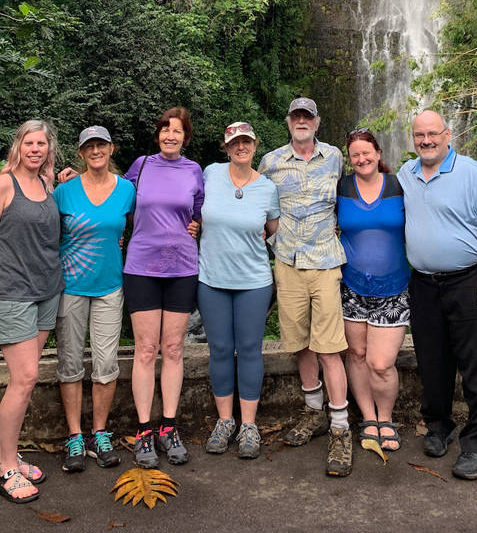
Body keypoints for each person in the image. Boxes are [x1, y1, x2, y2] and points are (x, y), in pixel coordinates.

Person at [398, 110, 477, 481]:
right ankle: (439, 426)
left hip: (469, 282)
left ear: (447, 134)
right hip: (424, 284)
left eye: (432, 134)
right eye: (418, 136)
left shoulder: (471, 172)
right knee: (433, 361)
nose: (425, 141)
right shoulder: (405, 176)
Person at [257, 97, 352, 477]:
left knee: (329, 347)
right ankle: (313, 409)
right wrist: (268, 236)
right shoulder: (271, 161)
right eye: (296, 116)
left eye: (307, 117)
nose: (302, 122)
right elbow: (257, 202)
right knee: (299, 344)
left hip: (326, 261)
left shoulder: (335, 157)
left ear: (316, 121)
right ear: (288, 122)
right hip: (288, 264)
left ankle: (341, 427)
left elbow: (350, 196)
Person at [0, 120, 63, 503]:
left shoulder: (47, 184)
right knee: (24, 378)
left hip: (47, 291)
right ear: (18, 145)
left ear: (48, 149)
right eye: (29, 142)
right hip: (12, 293)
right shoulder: (3, 184)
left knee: (26, 379)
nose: (35, 148)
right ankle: (5, 466)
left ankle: (12, 455)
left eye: (42, 143)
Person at [123, 106, 204, 468]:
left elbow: (198, 212)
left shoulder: (194, 171)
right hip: (141, 266)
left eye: (178, 131)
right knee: (145, 348)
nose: (170, 136)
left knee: (173, 348)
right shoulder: (140, 167)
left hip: (182, 267)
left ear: (186, 137)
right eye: (165, 130)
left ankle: (168, 427)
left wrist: (197, 226)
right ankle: (143, 432)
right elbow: (115, 201)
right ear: (157, 134)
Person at [53, 126, 135, 473]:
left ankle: (100, 432)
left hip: (109, 286)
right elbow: (50, 234)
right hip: (70, 286)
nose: (96, 150)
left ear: (111, 149)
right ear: (81, 153)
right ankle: (75, 436)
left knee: (106, 363)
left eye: (101, 144)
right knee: (70, 362)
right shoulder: (64, 191)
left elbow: (132, 228)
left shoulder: (127, 190)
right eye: (90, 146)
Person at [197, 121, 280, 459]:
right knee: (219, 350)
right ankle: (225, 420)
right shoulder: (210, 174)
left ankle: (248, 425)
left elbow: (272, 228)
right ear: (226, 146)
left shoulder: (267, 188)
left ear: (254, 145)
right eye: (234, 143)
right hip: (212, 278)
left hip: (254, 281)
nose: (240, 147)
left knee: (248, 350)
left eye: (246, 142)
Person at [338, 129, 410, 453]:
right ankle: (368, 417)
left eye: (366, 152)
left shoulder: (399, 186)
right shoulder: (341, 187)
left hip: (393, 288)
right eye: (355, 155)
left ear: (378, 153)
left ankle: (386, 417)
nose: (362, 159)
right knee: (357, 355)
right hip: (351, 286)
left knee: (381, 363)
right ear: (349, 159)